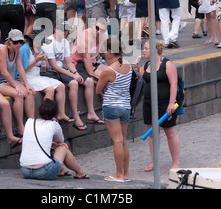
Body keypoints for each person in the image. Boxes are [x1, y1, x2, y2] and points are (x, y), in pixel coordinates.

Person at [42, 21, 104, 130]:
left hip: (62, 69)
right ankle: (76, 116)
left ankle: (91, 112)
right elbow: (54, 66)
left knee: (88, 81)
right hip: (51, 71)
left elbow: (69, 62)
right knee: (74, 83)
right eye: (62, 29)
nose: (65, 32)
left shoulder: (65, 42)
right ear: (55, 29)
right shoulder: (49, 42)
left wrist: (75, 73)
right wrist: (73, 75)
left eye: (66, 30)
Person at [134, 40, 180, 172]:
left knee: (170, 132)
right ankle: (154, 161)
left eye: (146, 48)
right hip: (149, 103)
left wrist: (171, 103)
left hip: (165, 104)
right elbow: (141, 81)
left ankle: (175, 162)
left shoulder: (167, 64)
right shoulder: (147, 64)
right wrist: (137, 71)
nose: (144, 51)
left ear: (155, 50)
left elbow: (173, 84)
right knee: (152, 134)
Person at [19, 99, 89, 180]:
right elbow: (61, 141)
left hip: (25, 170)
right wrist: (57, 124)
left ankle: (62, 170)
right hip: (44, 171)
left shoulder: (29, 122)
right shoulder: (53, 124)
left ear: (39, 110)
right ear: (54, 114)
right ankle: (80, 173)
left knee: (49, 146)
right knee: (63, 147)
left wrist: (54, 144)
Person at [96, 38, 132, 182]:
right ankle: (126, 174)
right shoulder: (128, 65)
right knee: (123, 141)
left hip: (111, 105)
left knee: (116, 141)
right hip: (126, 106)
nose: (104, 55)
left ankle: (118, 174)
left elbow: (98, 89)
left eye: (105, 52)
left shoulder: (108, 70)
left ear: (110, 51)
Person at [0, 29, 35, 136]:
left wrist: (26, 84)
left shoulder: (17, 50)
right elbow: (4, 72)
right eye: (16, 42)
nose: (18, 44)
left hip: (5, 79)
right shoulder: (2, 49)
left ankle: (31, 123)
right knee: (18, 94)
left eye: (21, 42)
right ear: (9, 41)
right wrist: (16, 86)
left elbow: (20, 68)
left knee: (29, 92)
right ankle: (20, 126)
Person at [20, 31, 73, 122]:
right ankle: (46, 116)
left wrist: (45, 60)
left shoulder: (41, 49)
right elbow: (23, 70)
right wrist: (36, 60)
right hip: (27, 77)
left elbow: (47, 68)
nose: (40, 44)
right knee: (50, 89)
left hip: (38, 75)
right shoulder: (25, 49)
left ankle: (61, 113)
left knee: (61, 86)